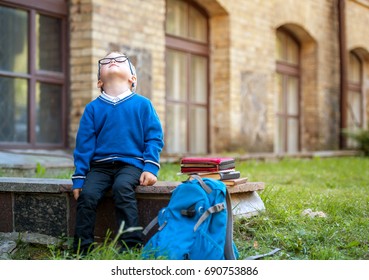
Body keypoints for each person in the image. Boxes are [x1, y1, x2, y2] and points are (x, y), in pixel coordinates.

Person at [71, 51, 164, 254]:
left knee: (123, 188)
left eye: (121, 60)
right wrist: (79, 178)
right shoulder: (93, 109)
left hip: (131, 164)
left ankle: (131, 245)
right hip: (100, 167)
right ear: (99, 81)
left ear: (133, 79)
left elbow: (154, 138)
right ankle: (81, 249)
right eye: (106, 61)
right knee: (87, 195)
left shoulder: (143, 105)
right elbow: (84, 145)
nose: (113, 61)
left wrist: (150, 167)